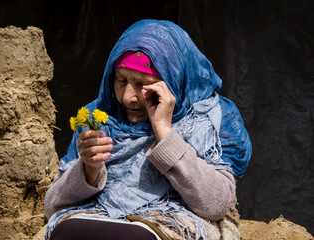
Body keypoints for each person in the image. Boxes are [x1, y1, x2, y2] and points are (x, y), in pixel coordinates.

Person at [44, 19, 252, 240]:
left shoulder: (209, 119)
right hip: (98, 217)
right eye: (121, 80)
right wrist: (89, 169)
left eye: (144, 84)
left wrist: (163, 131)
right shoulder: (99, 116)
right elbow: (53, 206)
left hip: (164, 220)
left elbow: (215, 205)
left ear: (173, 80)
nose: (128, 97)